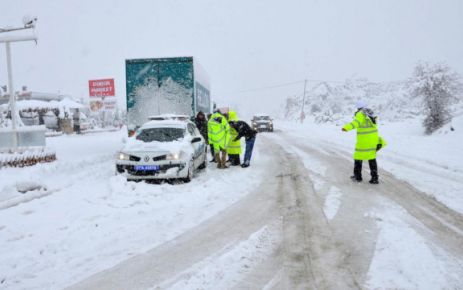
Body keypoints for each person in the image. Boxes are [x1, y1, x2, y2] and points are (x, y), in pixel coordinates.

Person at [342, 100, 386, 184]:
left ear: (358, 108)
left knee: (358, 157)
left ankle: (357, 177)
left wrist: (346, 128)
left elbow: (356, 123)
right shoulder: (371, 114)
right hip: (373, 140)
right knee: (372, 158)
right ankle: (374, 178)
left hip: (364, 140)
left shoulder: (361, 114)